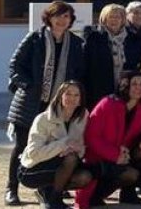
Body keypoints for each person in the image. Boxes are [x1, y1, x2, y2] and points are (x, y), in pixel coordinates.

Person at [5, 0, 86, 207]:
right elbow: (15, 66)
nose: (62, 20)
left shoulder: (75, 43)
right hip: (31, 103)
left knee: (56, 146)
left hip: (59, 105)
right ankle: (11, 189)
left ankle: (49, 188)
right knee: (22, 146)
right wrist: (28, 85)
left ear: (71, 20)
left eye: (66, 16)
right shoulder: (34, 39)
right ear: (49, 17)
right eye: (58, 15)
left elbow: (78, 72)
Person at [77, 71, 141, 208]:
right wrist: (115, 155)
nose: (138, 88)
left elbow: (136, 137)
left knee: (139, 163)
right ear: (126, 86)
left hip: (120, 157)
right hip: (95, 158)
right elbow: (90, 137)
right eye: (134, 84)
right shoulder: (107, 103)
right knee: (87, 182)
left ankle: (106, 195)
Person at [17, 80, 92, 209]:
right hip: (31, 169)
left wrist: (77, 149)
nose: (72, 98)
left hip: (62, 166)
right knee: (70, 159)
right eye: (68, 94)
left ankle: (47, 192)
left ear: (81, 99)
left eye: (76, 95)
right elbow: (33, 153)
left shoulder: (83, 116)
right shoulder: (43, 119)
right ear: (60, 96)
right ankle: (55, 199)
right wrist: (62, 145)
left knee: (84, 177)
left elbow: (81, 146)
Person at [83, 3, 141, 108]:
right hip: (98, 89)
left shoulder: (133, 39)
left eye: (118, 17)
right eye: (111, 17)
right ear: (104, 18)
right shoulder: (94, 37)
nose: (114, 20)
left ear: (123, 19)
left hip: (124, 90)